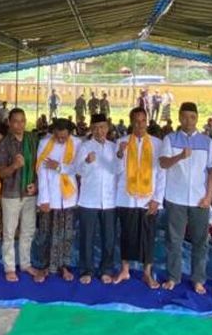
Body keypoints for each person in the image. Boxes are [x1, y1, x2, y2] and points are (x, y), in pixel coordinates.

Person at [159, 102, 212, 294]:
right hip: (176, 198)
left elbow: (211, 172)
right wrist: (179, 157)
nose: (188, 121)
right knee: (174, 240)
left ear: (197, 118)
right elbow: (163, 163)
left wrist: (209, 196)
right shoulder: (170, 139)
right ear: (179, 118)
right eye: (184, 117)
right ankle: (173, 277)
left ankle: (198, 279)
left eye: (192, 117)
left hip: (200, 199)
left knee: (201, 241)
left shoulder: (207, 142)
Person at [112, 107, 166, 288]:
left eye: (143, 121)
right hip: (126, 198)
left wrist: (157, 199)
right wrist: (120, 154)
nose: (140, 125)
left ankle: (147, 273)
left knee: (148, 237)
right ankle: (125, 270)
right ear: (131, 122)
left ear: (147, 121)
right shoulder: (121, 142)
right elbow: (115, 171)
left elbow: (161, 174)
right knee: (126, 235)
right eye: (136, 121)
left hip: (148, 199)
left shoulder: (158, 144)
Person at [0, 108, 40, 282]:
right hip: (11, 193)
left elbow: (39, 166)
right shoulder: (3, 144)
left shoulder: (33, 140)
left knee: (28, 231)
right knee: (9, 232)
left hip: (30, 193)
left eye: (22, 121)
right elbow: (0, 173)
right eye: (15, 121)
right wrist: (13, 166)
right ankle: (10, 267)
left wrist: (35, 185)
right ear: (9, 123)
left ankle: (26, 264)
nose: (19, 124)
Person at [75, 114, 117, 285]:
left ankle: (106, 269)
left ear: (108, 128)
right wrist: (86, 162)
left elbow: (118, 171)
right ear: (91, 129)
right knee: (87, 237)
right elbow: (78, 171)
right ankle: (87, 270)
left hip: (109, 200)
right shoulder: (84, 147)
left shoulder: (114, 148)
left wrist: (121, 156)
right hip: (88, 199)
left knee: (109, 237)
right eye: (96, 128)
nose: (100, 131)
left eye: (103, 127)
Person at [37, 118, 80, 282]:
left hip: (68, 196)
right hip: (50, 196)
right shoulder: (45, 143)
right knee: (46, 232)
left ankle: (64, 266)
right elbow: (41, 171)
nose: (61, 140)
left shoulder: (77, 144)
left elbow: (77, 168)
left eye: (64, 137)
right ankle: (45, 266)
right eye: (58, 136)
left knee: (66, 233)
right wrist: (44, 199)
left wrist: (59, 167)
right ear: (53, 132)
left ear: (70, 133)